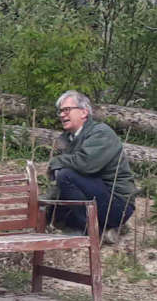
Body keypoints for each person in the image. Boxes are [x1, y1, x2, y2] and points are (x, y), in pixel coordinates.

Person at [47, 90, 136, 245]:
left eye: (67, 110)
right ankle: (106, 229)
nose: (62, 115)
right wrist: (46, 208)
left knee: (66, 175)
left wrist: (56, 162)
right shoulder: (68, 139)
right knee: (56, 214)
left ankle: (94, 232)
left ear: (84, 112)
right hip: (96, 195)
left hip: (117, 204)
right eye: (60, 111)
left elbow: (86, 164)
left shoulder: (101, 132)